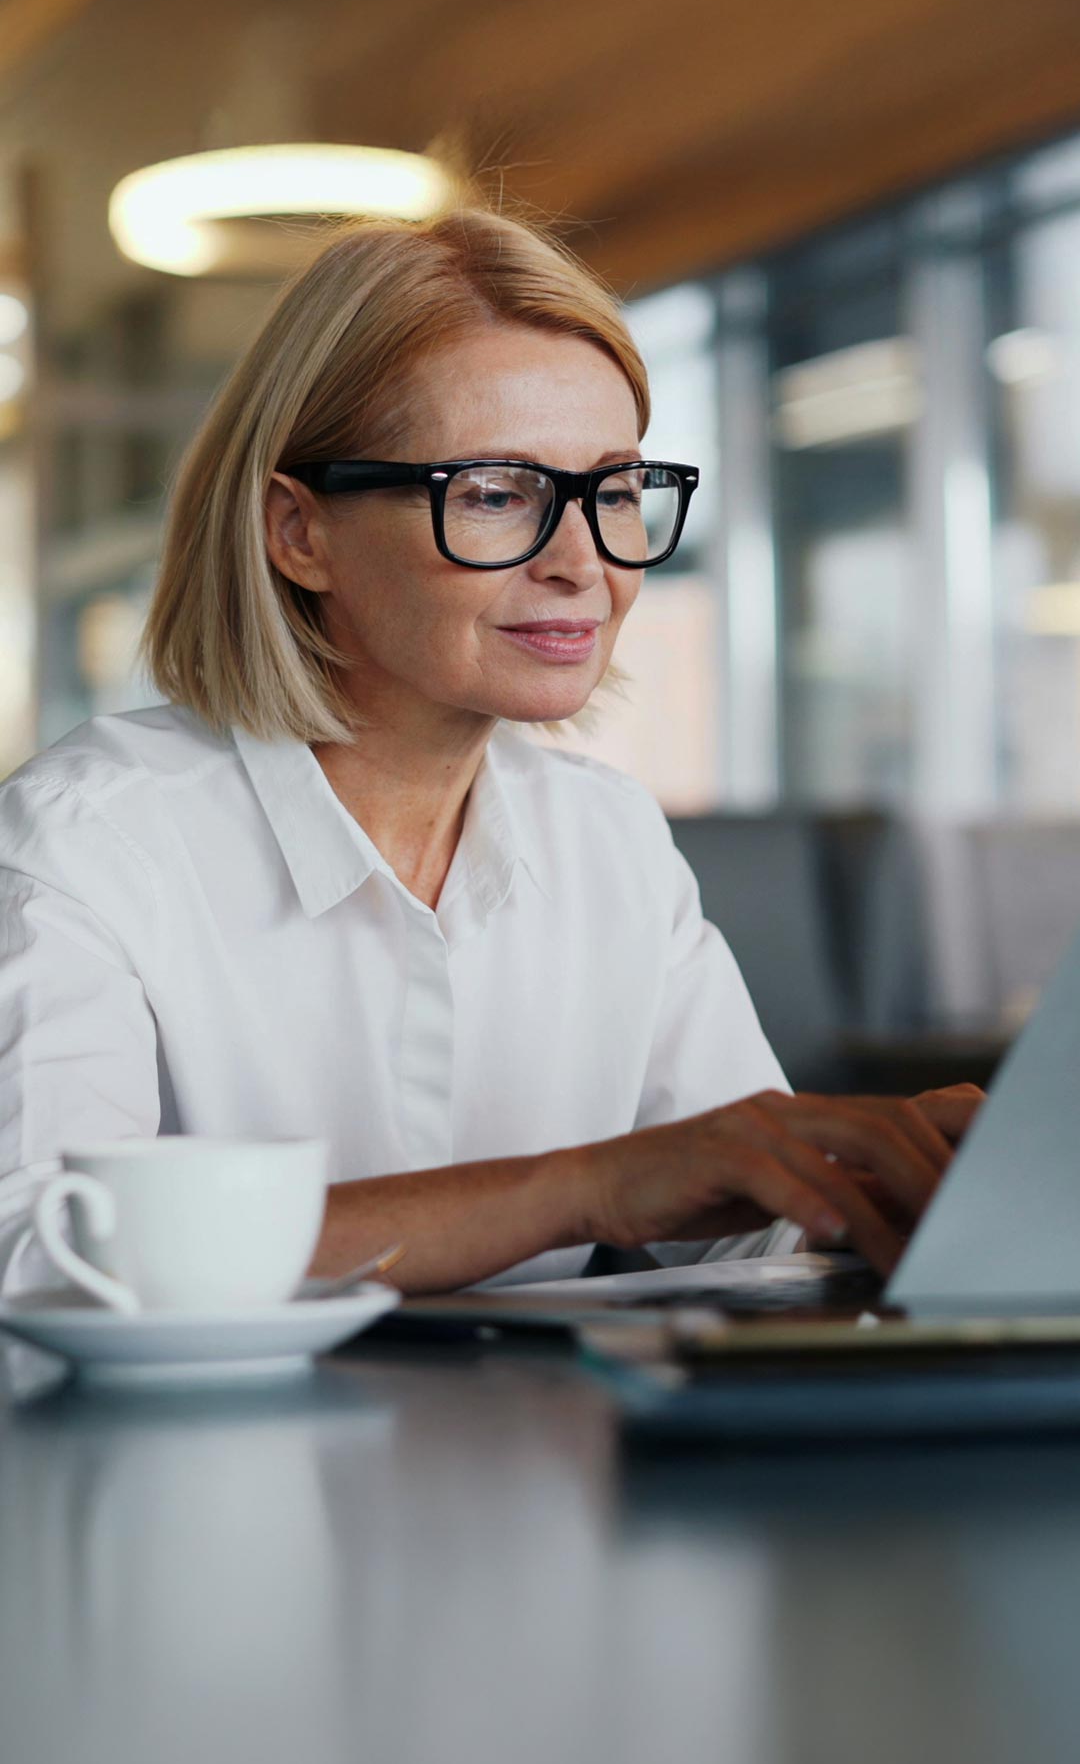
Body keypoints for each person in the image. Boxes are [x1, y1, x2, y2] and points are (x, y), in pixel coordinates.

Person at [0, 203, 981, 1295]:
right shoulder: (85, 843)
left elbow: (734, 1225)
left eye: (612, 490)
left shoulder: (605, 836)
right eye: (495, 493)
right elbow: (39, 1257)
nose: (582, 561)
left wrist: (883, 1187)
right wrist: (582, 1186)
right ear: (299, 532)